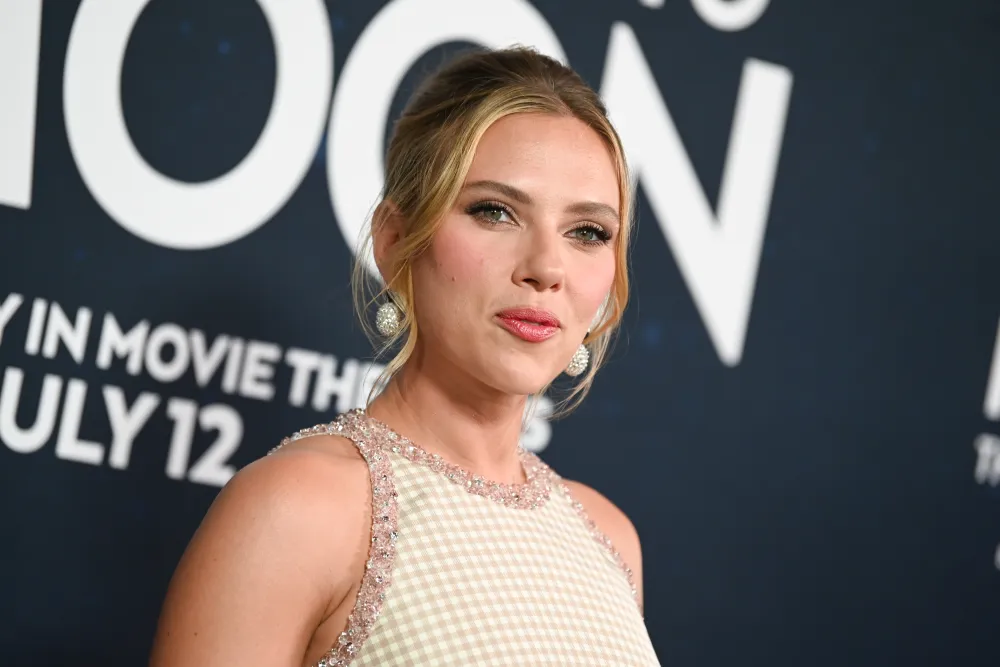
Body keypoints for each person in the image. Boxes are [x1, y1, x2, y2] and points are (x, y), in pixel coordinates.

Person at [148, 46, 660, 666]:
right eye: (495, 212)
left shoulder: (608, 537)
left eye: (588, 232)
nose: (547, 268)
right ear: (394, 241)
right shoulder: (299, 510)